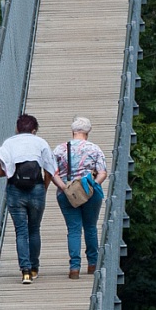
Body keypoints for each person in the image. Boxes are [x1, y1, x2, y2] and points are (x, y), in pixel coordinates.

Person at [0, 113, 67, 283]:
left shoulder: (8, 143)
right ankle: (34, 268)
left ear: (17, 128)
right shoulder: (40, 143)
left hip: (15, 191)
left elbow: (0, 173)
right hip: (37, 190)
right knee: (34, 229)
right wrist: (45, 188)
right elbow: (50, 170)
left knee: (21, 231)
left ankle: (25, 271)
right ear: (34, 130)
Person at [53, 116, 107, 277]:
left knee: (73, 229)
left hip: (67, 192)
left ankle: (74, 268)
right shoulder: (95, 149)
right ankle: (92, 264)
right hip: (90, 191)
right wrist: (92, 186)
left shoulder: (60, 149)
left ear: (73, 131)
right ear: (87, 132)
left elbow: (53, 173)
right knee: (90, 227)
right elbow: (103, 173)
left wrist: (64, 187)